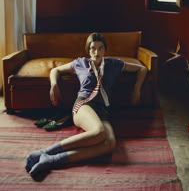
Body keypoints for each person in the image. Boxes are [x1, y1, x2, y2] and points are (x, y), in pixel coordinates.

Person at [25, 32, 147, 177]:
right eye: (93, 48)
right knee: (99, 132)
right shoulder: (80, 63)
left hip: (102, 110)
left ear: (105, 49)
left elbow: (142, 69)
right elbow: (55, 70)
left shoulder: (113, 64)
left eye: (100, 48)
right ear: (88, 50)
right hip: (83, 105)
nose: (96, 52)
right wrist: (54, 85)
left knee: (109, 143)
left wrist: (137, 89)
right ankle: (45, 152)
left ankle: (51, 160)